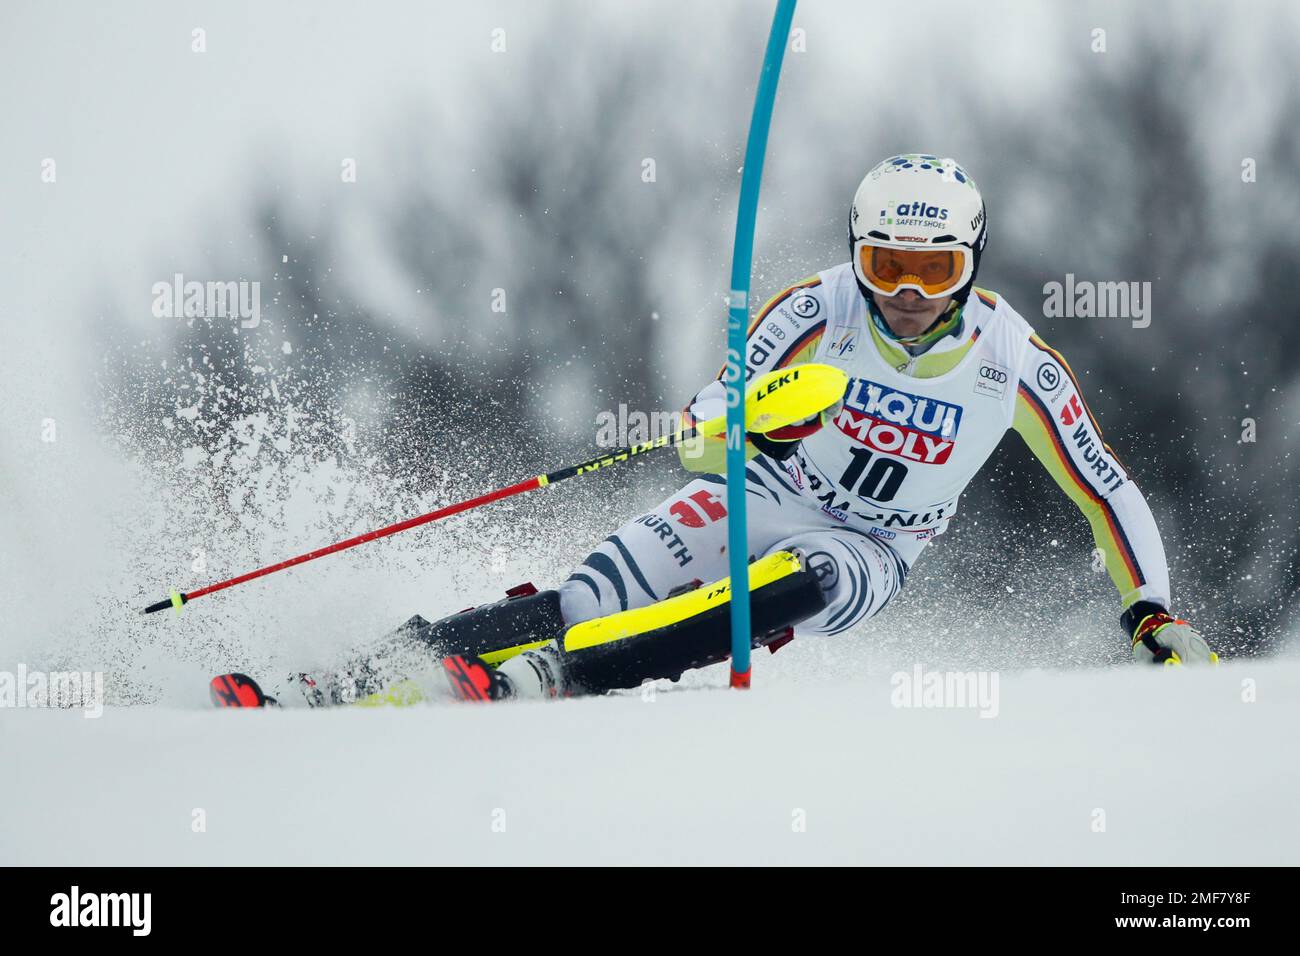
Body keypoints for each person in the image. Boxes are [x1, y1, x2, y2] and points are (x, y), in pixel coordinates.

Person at [400, 153, 1220, 705]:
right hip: (767, 488)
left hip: (875, 545)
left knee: (802, 578)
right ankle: (392, 660)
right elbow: (699, 430)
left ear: (972, 259)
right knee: (588, 594)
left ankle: (559, 677)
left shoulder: (1015, 361)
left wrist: (1151, 610)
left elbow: (1103, 487)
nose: (907, 291)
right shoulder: (814, 308)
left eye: (935, 269)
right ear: (856, 253)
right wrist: (754, 431)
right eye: (884, 264)